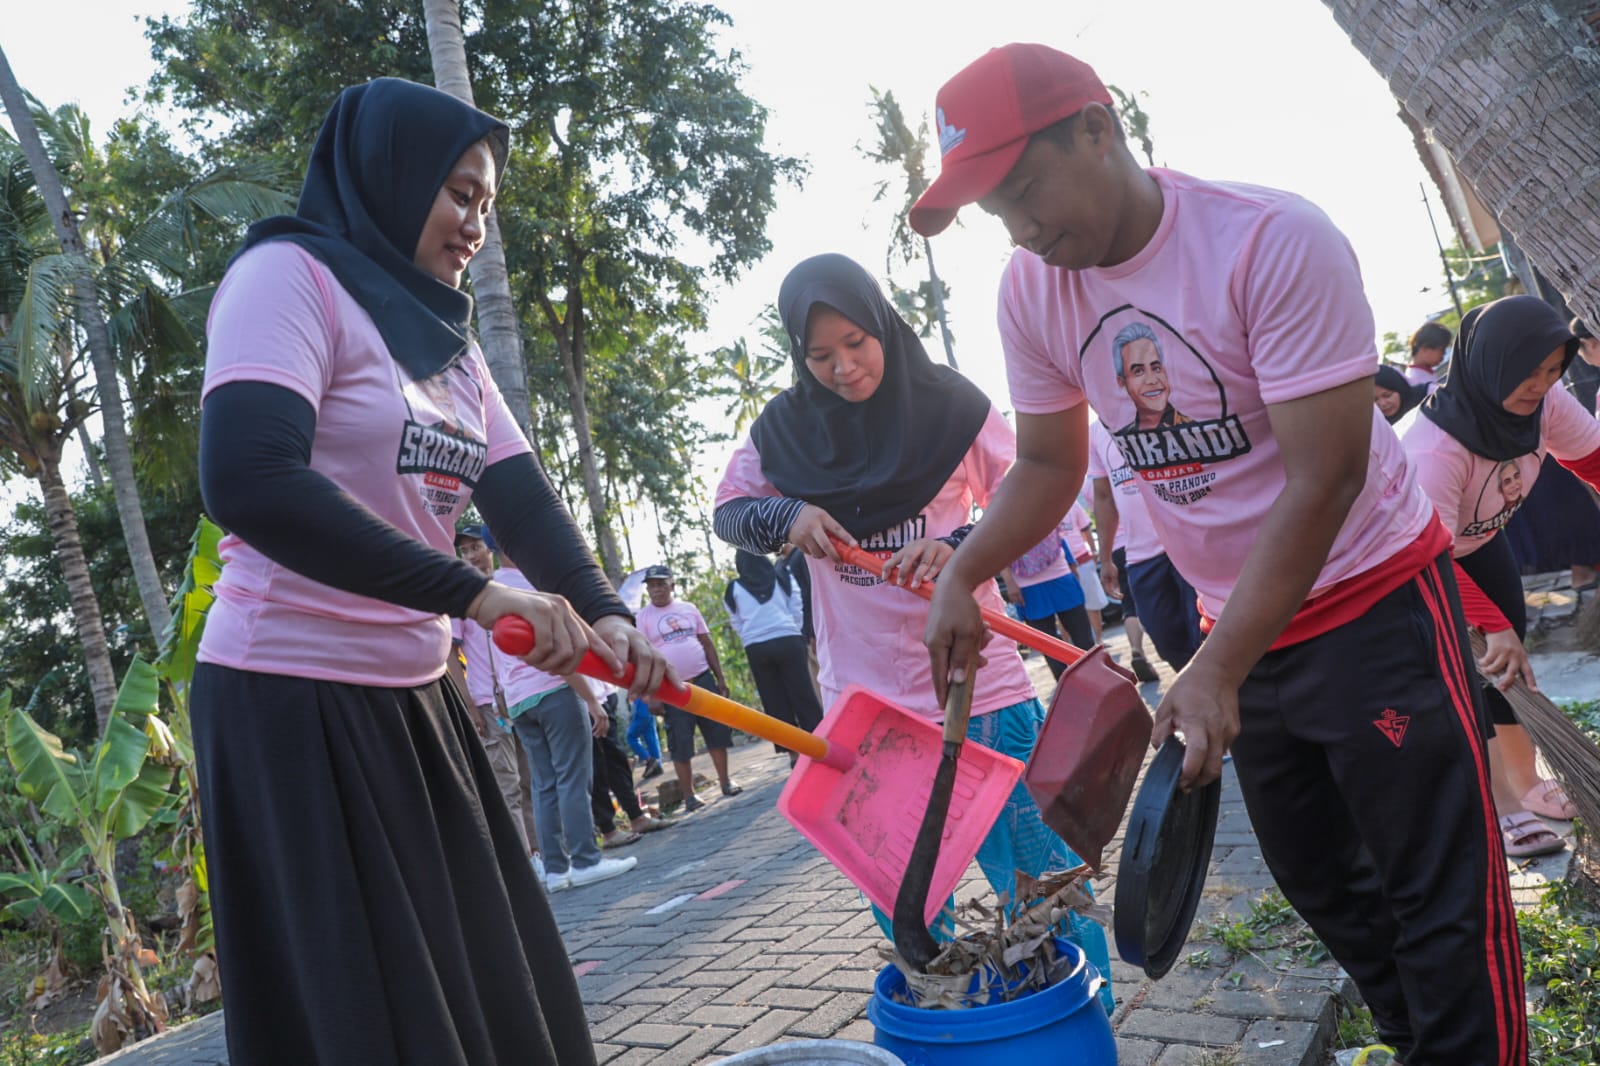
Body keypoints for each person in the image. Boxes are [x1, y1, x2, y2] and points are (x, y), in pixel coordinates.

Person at [911, 44, 1524, 1064]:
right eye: (995, 214)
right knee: (1321, 879)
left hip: (1373, 601)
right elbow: (1050, 464)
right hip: (1238, 630)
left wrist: (1214, 667)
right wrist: (965, 570)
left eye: (1024, 190)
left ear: (1097, 132)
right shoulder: (1033, 291)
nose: (1018, 228)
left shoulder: (1268, 240)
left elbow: (1322, 477)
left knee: (1438, 890)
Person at [191, 78, 669, 1065]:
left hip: (414, 692)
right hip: (290, 700)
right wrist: (473, 592)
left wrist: (603, 609)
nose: (473, 225)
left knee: (494, 983)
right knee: (369, 1013)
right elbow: (247, 477)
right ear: (389, 175)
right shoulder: (288, 278)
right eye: (458, 193)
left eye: (485, 203)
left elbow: (521, 496)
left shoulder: (445, 341)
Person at [713, 252, 1114, 1013]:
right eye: (820, 354)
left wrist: (963, 548)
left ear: (886, 330)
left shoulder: (953, 408)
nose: (843, 367)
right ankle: (951, 1029)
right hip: (868, 713)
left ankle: (1080, 1018)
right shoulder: (783, 429)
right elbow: (729, 510)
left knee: (1043, 882)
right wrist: (785, 515)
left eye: (856, 343)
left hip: (979, 691)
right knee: (903, 902)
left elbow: (1044, 499)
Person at [1403, 296, 1600, 855]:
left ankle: (1530, 784)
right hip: (1404, 561)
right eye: (1526, 370)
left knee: (1511, 675)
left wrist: (1500, 627)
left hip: (1478, 543)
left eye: (1552, 369)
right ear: (1489, 362)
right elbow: (1427, 556)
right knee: (1463, 682)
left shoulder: (1546, 403)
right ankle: (1500, 807)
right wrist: (1491, 624)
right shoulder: (1433, 450)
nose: (1539, 384)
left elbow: (1592, 461)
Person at [492, 564, 639, 890]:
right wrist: (590, 699)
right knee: (573, 778)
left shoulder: (491, 590)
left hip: (518, 699)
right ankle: (586, 860)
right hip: (554, 690)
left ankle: (556, 870)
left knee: (544, 785)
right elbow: (559, 652)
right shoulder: (534, 583)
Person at [454, 523, 540, 860]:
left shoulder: (510, 587)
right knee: (508, 784)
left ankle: (542, 853)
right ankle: (524, 861)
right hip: (486, 701)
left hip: (520, 695)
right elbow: (451, 654)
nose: (472, 555)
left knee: (532, 780)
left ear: (490, 548)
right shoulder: (459, 594)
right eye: (465, 550)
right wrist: (471, 707)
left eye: (476, 546)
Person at [1088, 420, 1202, 671]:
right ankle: (1197, 688)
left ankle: (1227, 698)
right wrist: (1105, 558)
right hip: (1140, 556)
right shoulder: (1095, 433)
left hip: (1186, 544)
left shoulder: (1161, 410)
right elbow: (1104, 497)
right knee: (1163, 637)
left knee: (1203, 632)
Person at [636, 565, 743, 811]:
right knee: (680, 742)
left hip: (703, 679)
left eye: (661, 584)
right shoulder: (643, 618)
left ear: (672, 585)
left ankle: (726, 782)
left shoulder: (688, 609)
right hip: (671, 689)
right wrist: (650, 694)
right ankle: (689, 797)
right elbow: (643, 657)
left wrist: (721, 678)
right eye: (652, 585)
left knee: (716, 731)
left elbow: (706, 643)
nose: (656, 590)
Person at [724, 549, 825, 765]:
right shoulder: (782, 575)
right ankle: (818, 745)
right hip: (788, 638)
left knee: (774, 700)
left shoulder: (734, 588)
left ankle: (793, 755)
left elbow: (736, 621)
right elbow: (796, 604)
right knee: (803, 693)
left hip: (757, 647)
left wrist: (751, 637)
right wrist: (794, 630)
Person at [1000, 519, 1094, 675]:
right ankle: (1071, 689)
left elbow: (1058, 533)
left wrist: (1071, 563)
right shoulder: (998, 506)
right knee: (1049, 647)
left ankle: (1099, 681)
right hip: (1027, 585)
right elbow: (998, 547)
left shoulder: (1041, 497)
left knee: (1084, 640)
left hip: (1060, 574)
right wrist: (1009, 582)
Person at [1405, 320, 1452, 392]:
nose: (1444, 353)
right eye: (1441, 349)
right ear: (1425, 349)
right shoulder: (1415, 379)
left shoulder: (1422, 372)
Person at [625, 696, 665, 779]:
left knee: (631, 737)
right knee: (651, 737)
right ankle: (657, 766)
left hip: (641, 709)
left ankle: (649, 759)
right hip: (650, 707)